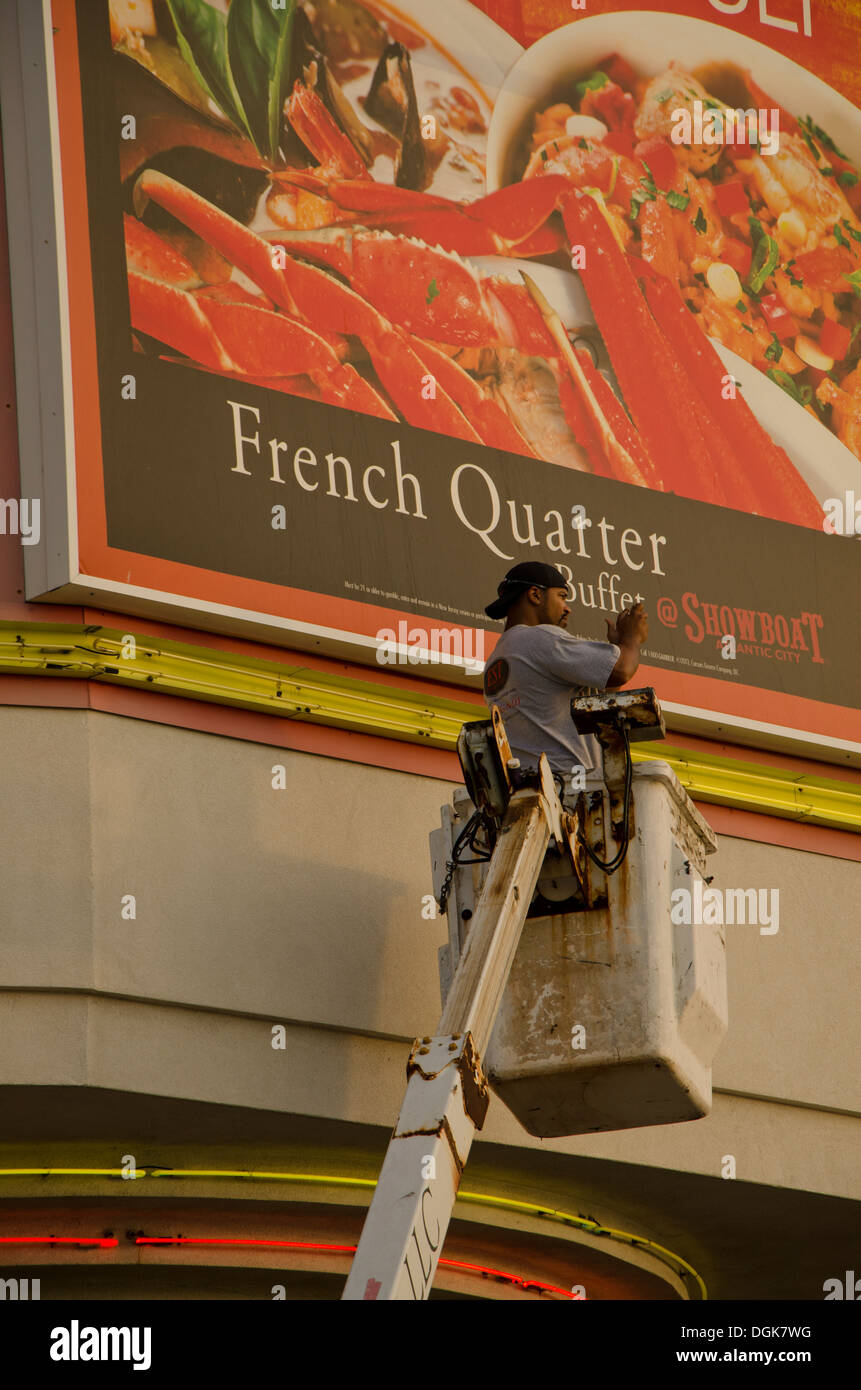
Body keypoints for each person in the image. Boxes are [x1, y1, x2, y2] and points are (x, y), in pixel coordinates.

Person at [482, 560, 649, 781]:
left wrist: (617, 650)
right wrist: (632, 638)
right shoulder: (540, 638)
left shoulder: (497, 658)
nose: (567, 607)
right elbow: (621, 670)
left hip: (531, 785)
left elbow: (602, 701)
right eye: (561, 596)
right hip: (570, 785)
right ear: (535, 595)